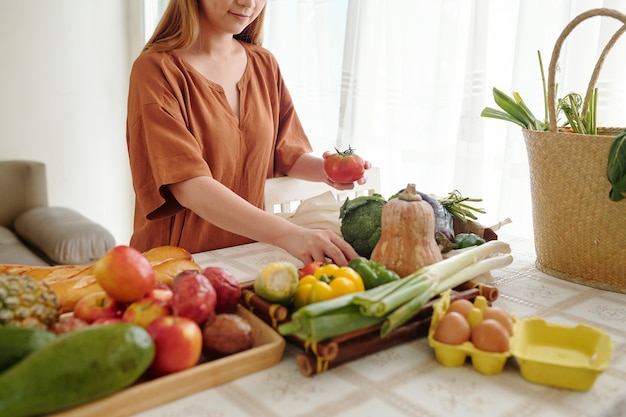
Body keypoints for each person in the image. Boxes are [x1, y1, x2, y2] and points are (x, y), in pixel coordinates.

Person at [125, 0, 371, 267]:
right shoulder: (156, 70)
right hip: (176, 264)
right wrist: (290, 235)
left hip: (247, 259)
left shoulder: (264, 64)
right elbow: (187, 185)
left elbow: (285, 154)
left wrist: (329, 171)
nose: (249, 3)